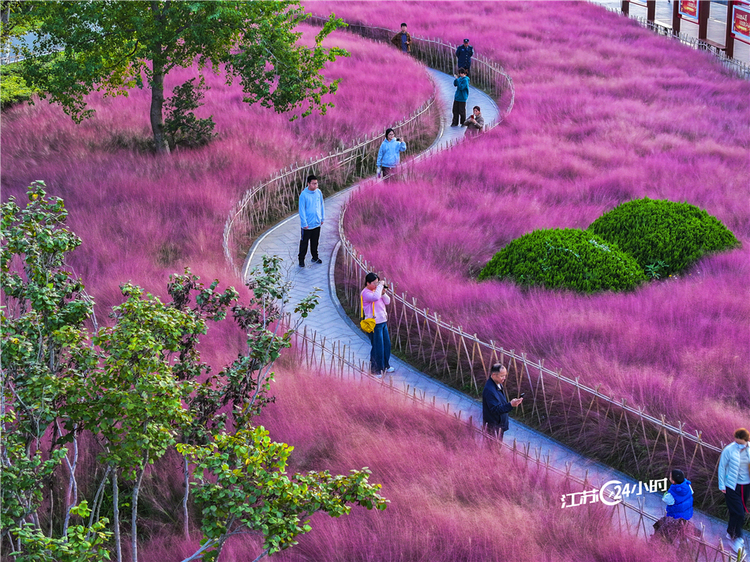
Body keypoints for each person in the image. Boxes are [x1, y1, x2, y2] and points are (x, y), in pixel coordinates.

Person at [718, 428, 750, 553]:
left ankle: (730, 532)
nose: (738, 445)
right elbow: (722, 467)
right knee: (739, 513)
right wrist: (722, 485)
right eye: (736, 442)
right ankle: (737, 537)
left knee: (736, 512)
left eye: (741, 443)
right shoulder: (729, 450)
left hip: (746, 486)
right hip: (732, 485)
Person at [361, 272, 395, 376]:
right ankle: (375, 370)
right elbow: (375, 298)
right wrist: (380, 286)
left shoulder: (378, 291)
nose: (376, 285)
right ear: (368, 283)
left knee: (386, 345)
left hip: (383, 322)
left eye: (377, 283)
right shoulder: (365, 293)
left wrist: (383, 292)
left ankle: (385, 365)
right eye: (374, 283)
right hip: (374, 324)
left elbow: (388, 301)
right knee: (377, 347)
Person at [482, 363, 523, 442]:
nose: (504, 378)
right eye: (502, 376)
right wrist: (510, 405)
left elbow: (500, 403)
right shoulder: (489, 390)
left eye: (505, 375)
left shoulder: (498, 384)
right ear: (494, 375)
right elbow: (495, 410)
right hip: (494, 426)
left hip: (500, 425)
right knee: (492, 449)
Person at [298, 174, 324, 268]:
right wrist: (304, 223)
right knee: (304, 243)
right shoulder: (303, 195)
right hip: (307, 225)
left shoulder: (318, 192)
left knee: (315, 242)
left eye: (316, 183)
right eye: (313, 184)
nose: (315, 185)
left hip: (317, 223)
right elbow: (302, 210)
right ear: (308, 184)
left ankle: (315, 257)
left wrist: (322, 218)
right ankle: (301, 260)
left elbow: (321, 205)